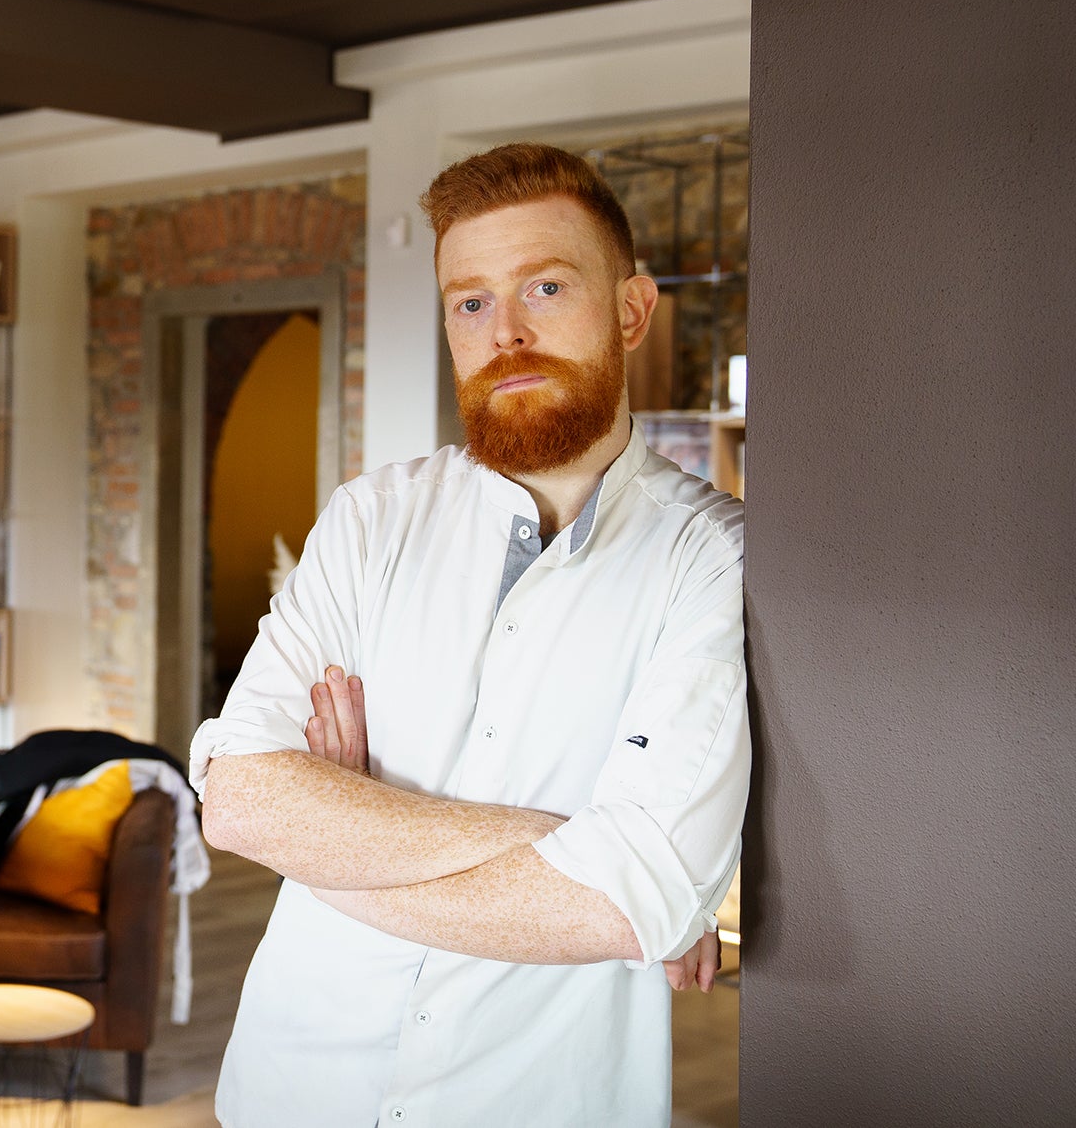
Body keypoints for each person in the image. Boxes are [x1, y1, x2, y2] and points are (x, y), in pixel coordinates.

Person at [193, 142, 748, 1127]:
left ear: (630, 311)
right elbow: (238, 801)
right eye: (470, 302)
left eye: (545, 287)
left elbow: (623, 901)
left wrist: (337, 832)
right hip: (293, 1087)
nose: (505, 333)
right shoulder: (372, 518)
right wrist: (573, 849)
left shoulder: (709, 557)